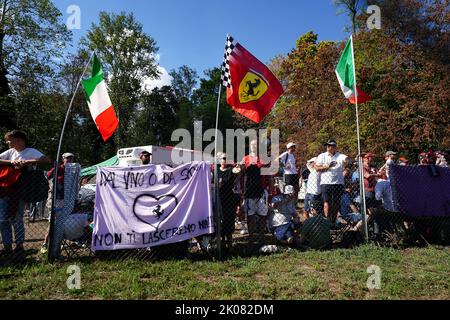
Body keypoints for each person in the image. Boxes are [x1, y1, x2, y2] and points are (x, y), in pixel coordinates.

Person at [0, 130, 51, 256]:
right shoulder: (11, 152)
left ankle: (19, 245)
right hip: (6, 190)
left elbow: (46, 160)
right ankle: (7, 245)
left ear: (19, 140)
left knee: (17, 218)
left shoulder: (30, 151)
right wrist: (12, 162)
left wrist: (28, 162)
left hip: (21, 189)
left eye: (10, 139)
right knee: (3, 219)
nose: (8, 142)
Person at [41, 152, 75, 253]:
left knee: (62, 223)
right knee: (52, 222)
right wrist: (55, 169)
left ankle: (58, 243)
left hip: (66, 199)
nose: (69, 160)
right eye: (67, 158)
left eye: (71, 159)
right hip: (56, 199)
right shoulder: (59, 168)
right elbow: (48, 175)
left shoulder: (73, 170)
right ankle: (45, 243)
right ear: (63, 159)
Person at [241, 139, 269, 242]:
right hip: (249, 191)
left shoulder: (263, 159)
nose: (254, 146)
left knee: (263, 215)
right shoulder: (245, 159)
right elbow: (241, 175)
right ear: (250, 146)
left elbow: (269, 176)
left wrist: (269, 190)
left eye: (256, 145)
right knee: (250, 216)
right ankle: (251, 236)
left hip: (262, 190)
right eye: (252, 144)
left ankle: (262, 235)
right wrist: (242, 191)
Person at [314, 139, 349, 224]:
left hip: (338, 183)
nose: (328, 147)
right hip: (326, 183)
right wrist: (327, 167)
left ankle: (333, 220)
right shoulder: (322, 156)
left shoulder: (339, 155)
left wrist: (346, 163)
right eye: (328, 145)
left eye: (331, 146)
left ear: (335, 147)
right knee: (327, 202)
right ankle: (327, 220)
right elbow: (317, 168)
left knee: (336, 203)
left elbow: (347, 159)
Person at [217, 153, 240, 249]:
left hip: (229, 198)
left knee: (229, 219)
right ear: (219, 160)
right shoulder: (216, 171)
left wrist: (238, 166)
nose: (225, 160)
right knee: (220, 219)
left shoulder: (231, 170)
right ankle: (221, 241)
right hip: (219, 198)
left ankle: (229, 242)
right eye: (223, 158)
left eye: (227, 158)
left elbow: (237, 171)